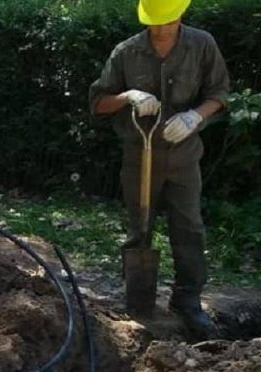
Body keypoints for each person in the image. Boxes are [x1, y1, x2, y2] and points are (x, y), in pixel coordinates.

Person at [90, 0, 229, 339]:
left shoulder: (202, 44)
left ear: (181, 14)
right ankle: (138, 298)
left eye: (168, 21)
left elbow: (219, 93)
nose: (162, 29)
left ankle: (187, 300)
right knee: (140, 227)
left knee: (189, 228)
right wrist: (127, 96)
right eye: (156, 23)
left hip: (184, 156)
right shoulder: (127, 52)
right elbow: (98, 103)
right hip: (139, 154)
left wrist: (196, 116)